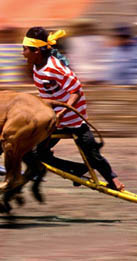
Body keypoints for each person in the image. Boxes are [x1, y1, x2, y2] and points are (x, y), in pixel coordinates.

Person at [21, 26, 125, 191]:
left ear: (36, 51)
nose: (22, 53)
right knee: (35, 152)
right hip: (55, 120)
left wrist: (63, 112)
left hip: (74, 118)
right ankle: (76, 169)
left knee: (92, 153)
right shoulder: (36, 66)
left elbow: (76, 91)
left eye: (25, 49)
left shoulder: (55, 68)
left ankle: (113, 180)